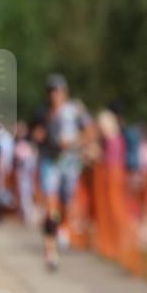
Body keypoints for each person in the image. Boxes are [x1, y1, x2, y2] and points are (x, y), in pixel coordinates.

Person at [33, 74, 93, 270]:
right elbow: (36, 133)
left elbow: (90, 132)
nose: (54, 95)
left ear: (65, 92)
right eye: (51, 91)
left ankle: (62, 227)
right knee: (50, 207)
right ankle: (51, 254)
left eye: (57, 90)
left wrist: (74, 143)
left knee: (66, 203)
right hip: (49, 161)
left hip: (70, 163)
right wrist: (38, 136)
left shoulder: (76, 110)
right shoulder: (43, 112)